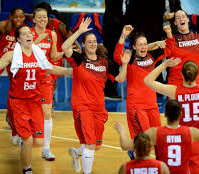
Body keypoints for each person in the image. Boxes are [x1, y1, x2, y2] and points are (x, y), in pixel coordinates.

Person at [0, 25, 72, 174]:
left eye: (29, 33)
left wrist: (73, 72)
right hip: (18, 102)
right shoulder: (12, 55)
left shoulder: (38, 54)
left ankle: (22, 140)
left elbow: (51, 68)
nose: (28, 35)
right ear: (18, 39)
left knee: (38, 142)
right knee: (28, 140)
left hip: (35, 102)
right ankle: (27, 169)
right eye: (24, 34)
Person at [61, 17, 130, 174]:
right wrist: (79, 32)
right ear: (84, 45)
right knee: (91, 144)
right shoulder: (79, 59)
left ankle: (76, 153)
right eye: (89, 41)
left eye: (94, 41)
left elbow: (120, 79)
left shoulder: (104, 62)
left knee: (95, 145)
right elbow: (65, 47)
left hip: (99, 108)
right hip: (82, 107)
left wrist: (125, 64)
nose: (92, 44)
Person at [143, 37, 199, 173]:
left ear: (182, 74)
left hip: (182, 139)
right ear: (197, 75)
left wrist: (164, 65)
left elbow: (148, 80)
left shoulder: (175, 91)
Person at [114, 100, 199, 174]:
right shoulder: (191, 132)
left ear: (165, 114)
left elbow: (125, 145)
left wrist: (122, 131)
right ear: (181, 114)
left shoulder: (155, 133)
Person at [114, 25, 167, 149]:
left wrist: (158, 42)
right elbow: (117, 56)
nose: (143, 47)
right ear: (133, 47)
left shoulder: (152, 56)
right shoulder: (130, 59)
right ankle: (135, 157)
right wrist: (123, 36)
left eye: (145, 44)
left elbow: (167, 48)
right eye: (140, 44)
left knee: (157, 140)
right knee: (143, 141)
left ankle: (158, 165)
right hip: (137, 106)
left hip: (152, 105)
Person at [30, 7, 64, 161]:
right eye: (39, 17)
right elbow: (24, 51)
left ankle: (46, 149)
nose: (43, 19)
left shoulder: (52, 34)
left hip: (44, 78)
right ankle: (23, 137)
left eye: (45, 17)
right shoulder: (28, 33)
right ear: (34, 19)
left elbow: (53, 55)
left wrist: (66, 51)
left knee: (47, 112)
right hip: (29, 77)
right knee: (29, 111)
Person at [0, 7, 26, 108]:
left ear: (24, 17)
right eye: (16, 17)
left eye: (21, 17)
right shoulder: (3, 25)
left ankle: (13, 106)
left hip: (14, 58)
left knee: (15, 82)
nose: (18, 19)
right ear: (11, 17)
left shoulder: (25, 29)